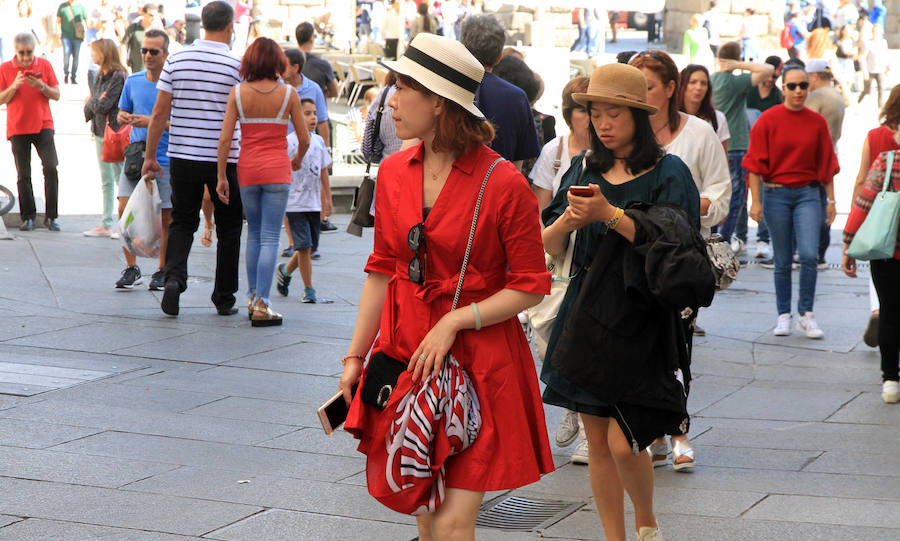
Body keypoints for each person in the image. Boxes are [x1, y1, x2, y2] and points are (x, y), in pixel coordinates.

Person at [339, 33, 553, 541]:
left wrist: (457, 319)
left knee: (454, 523)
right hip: (408, 352)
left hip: (480, 358)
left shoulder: (502, 183)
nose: (389, 99)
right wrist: (355, 358)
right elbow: (383, 269)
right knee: (428, 516)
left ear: (438, 102)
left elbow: (531, 285)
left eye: (401, 87)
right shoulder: (393, 171)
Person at [541, 62, 700, 541]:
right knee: (596, 440)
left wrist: (610, 214)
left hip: (642, 317)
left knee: (625, 438)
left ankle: (646, 521)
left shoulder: (669, 172)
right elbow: (546, 243)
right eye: (595, 113)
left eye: (614, 113)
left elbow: (678, 246)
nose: (603, 123)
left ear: (639, 116)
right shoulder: (582, 166)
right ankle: (616, 536)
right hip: (586, 313)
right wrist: (569, 221)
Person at [631, 49, 729, 469]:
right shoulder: (623, 134)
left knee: (677, 345)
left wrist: (688, 206)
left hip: (680, 260)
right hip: (632, 259)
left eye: (647, 87)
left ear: (670, 89)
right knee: (641, 345)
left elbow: (722, 192)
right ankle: (652, 429)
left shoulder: (699, 134)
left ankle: (678, 429)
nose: (639, 96)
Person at [142, 0, 244, 317]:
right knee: (229, 229)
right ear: (229, 27)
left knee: (183, 221)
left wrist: (149, 156)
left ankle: (174, 279)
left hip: (183, 155)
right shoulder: (236, 66)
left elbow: (159, 113)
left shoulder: (177, 61)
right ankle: (224, 296)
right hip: (224, 159)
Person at [215, 37, 308, 327]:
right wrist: (298, 159)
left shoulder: (238, 93)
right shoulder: (289, 94)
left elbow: (225, 138)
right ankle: (262, 303)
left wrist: (221, 176)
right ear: (277, 62)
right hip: (278, 170)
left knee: (254, 234)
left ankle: (253, 295)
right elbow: (304, 138)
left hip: (248, 170)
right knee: (270, 236)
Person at [745, 65, 839, 339]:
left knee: (809, 255)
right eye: (792, 86)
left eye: (803, 86)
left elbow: (828, 163)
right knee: (783, 259)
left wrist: (831, 200)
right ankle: (783, 315)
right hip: (776, 194)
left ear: (809, 88)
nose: (798, 91)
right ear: (783, 88)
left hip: (809, 193)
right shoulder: (769, 119)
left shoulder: (817, 122)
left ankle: (806, 314)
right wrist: (755, 202)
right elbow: (753, 164)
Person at [528, 75, 592, 464]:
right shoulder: (555, 150)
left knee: (582, 343)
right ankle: (571, 405)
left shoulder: (611, 151)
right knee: (548, 338)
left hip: (594, 260)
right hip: (558, 257)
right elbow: (540, 209)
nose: (591, 117)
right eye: (583, 108)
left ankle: (588, 429)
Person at [842, 133, 900, 403]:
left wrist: (848, 245)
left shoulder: (887, 163)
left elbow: (862, 205)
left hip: (888, 253)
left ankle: (890, 380)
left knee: (888, 312)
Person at [113, 29, 173, 290]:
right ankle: (131, 266)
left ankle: (162, 269)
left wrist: (154, 122)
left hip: (166, 157)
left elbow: (180, 124)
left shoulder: (172, 85)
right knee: (124, 210)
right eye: (144, 51)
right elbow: (121, 111)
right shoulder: (133, 80)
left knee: (166, 217)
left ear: (165, 55)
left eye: (153, 51)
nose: (147, 55)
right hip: (136, 156)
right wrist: (123, 117)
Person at [711, 42, 774, 255]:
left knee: (714, 194)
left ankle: (721, 236)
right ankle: (725, 240)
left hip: (715, 143)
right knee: (736, 197)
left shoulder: (711, 80)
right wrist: (738, 65)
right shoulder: (734, 82)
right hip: (736, 144)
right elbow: (768, 70)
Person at [851, 85, 900, 347]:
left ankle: (878, 310)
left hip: (878, 211)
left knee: (878, 259)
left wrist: (853, 225)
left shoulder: (875, 135)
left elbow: (861, 179)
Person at [460, 13, 540, 170]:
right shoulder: (517, 97)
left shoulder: (445, 87)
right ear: (499, 57)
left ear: (462, 48)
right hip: (498, 188)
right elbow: (518, 163)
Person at [0, 32, 61, 231]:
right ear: (15, 51)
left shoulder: (44, 65)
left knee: (51, 167)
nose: (26, 57)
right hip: (18, 127)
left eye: (29, 53)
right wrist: (14, 87)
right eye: (22, 53)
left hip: (43, 124)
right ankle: (29, 217)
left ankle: (51, 216)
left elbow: (57, 94)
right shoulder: (5, 68)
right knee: (23, 173)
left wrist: (41, 85)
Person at [276, 98, 332, 304]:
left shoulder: (318, 141)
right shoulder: (289, 142)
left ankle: (286, 270)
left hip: (314, 204)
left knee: (307, 247)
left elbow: (324, 171)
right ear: (296, 117)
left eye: (315, 113)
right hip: (295, 204)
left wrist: (327, 199)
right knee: (304, 247)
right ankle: (309, 289)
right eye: (307, 113)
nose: (313, 118)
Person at [82, 38, 127, 239]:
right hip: (101, 131)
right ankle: (107, 222)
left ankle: (124, 224)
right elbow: (94, 104)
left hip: (114, 133)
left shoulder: (118, 75)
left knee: (120, 179)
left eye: (94, 52)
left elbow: (102, 104)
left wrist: (92, 101)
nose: (92, 56)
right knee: (107, 180)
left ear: (104, 53)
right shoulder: (100, 74)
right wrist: (94, 101)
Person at [806, 59, 846, 269]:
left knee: (814, 205)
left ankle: (814, 251)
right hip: (830, 152)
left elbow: (805, 125)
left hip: (814, 158)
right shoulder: (836, 95)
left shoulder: (817, 96)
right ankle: (820, 251)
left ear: (814, 76)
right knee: (822, 204)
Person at [678, 64, 730, 155]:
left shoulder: (718, 118)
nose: (698, 87)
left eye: (703, 83)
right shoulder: (672, 117)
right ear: (682, 86)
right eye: (693, 82)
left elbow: (723, 160)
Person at [362, 70, 402, 164]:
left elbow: (368, 149)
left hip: (388, 164)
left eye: (401, 89)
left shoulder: (383, 95)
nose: (391, 102)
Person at [294, 21, 338, 99]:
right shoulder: (323, 65)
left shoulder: (288, 62)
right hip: (316, 106)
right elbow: (335, 92)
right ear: (312, 39)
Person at [121, 4, 161, 74]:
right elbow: (124, 45)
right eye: (151, 15)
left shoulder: (158, 30)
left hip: (155, 72)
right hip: (137, 70)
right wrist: (124, 64)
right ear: (143, 13)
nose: (154, 18)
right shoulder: (133, 28)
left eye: (156, 15)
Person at [57, 0, 87, 84]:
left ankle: (73, 77)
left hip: (77, 36)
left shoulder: (80, 7)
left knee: (76, 56)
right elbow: (58, 21)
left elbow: (86, 20)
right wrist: (57, 34)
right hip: (66, 35)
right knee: (66, 54)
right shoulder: (62, 6)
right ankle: (66, 74)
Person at [857, 23, 887, 108]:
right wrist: (864, 71)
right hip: (870, 69)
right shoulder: (868, 43)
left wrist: (887, 67)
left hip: (880, 69)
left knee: (881, 89)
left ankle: (880, 107)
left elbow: (885, 55)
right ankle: (858, 102)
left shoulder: (883, 42)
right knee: (867, 90)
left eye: (878, 32)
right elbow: (862, 57)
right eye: (874, 32)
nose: (876, 34)